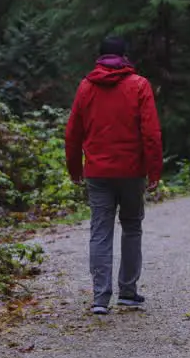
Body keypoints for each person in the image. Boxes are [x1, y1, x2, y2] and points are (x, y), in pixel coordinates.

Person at [65, 36, 163, 315]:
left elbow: (73, 133)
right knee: (131, 227)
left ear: (100, 57)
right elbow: (152, 134)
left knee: (100, 231)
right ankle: (128, 293)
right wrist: (154, 170)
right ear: (125, 57)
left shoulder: (86, 87)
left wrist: (75, 169)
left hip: (97, 172)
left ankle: (99, 299)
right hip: (132, 172)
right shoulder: (139, 85)